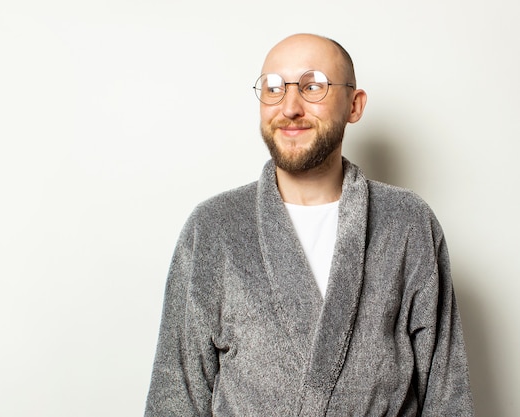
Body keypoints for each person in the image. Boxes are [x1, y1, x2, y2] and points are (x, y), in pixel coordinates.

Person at [145, 33, 474, 416]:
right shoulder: (214, 228)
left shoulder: (407, 224)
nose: (289, 107)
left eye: (312, 86)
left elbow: (447, 392)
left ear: (354, 105)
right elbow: (176, 395)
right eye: (273, 88)